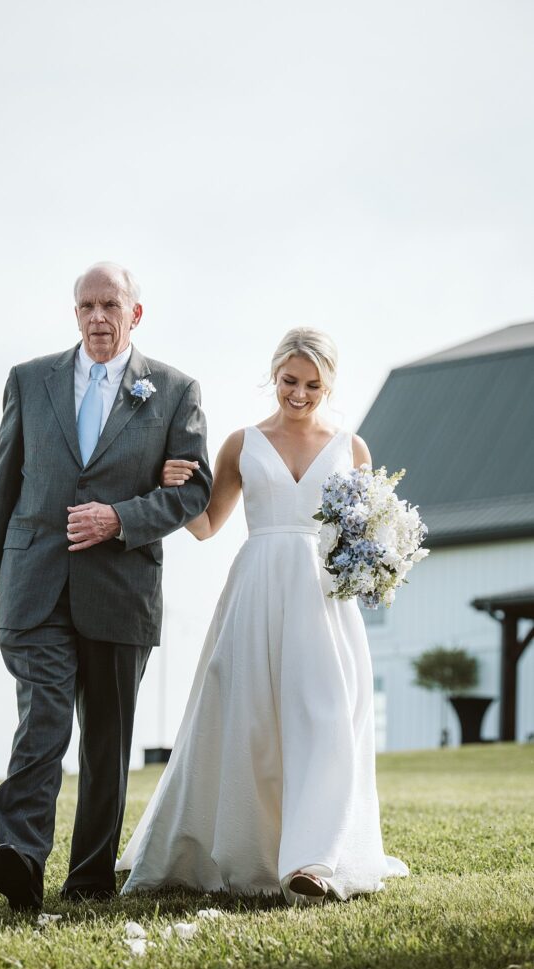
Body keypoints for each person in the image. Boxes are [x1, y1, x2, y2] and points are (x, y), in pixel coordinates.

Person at [117, 327, 408, 904]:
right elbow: (207, 526)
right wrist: (171, 485)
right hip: (255, 589)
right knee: (247, 720)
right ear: (273, 376)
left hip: (324, 603)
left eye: (312, 385)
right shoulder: (240, 444)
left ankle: (313, 861)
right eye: (289, 381)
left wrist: (381, 560)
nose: (298, 394)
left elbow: (361, 535)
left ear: (329, 385)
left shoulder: (353, 448)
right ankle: (247, 849)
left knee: (325, 720)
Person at [0, 262, 212, 910]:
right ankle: (20, 855)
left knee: (107, 742)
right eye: (85, 306)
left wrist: (120, 517)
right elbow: (2, 484)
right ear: (74, 313)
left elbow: (195, 494)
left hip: (121, 587)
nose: (96, 317)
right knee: (42, 718)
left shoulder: (176, 391)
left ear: (134, 313)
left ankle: (89, 881)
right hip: (33, 580)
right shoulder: (29, 379)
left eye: (109, 305)